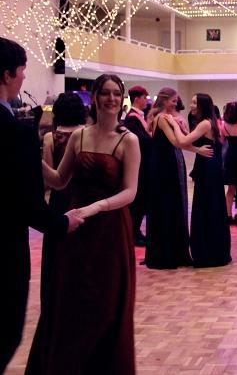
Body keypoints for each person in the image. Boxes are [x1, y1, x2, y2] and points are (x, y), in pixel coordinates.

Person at [30, 74, 139, 373]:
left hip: (110, 232)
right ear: (94, 97)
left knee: (106, 305)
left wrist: (98, 206)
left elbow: (130, 191)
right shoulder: (79, 137)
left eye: (116, 93)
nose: (111, 99)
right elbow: (59, 180)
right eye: (105, 93)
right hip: (77, 231)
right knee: (72, 302)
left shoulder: (128, 140)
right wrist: (30, 157)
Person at [0, 37, 81, 372]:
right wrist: (63, 223)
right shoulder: (16, 133)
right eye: (22, 70)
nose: (23, 77)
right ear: (7, 75)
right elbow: (29, 203)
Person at [144, 87, 211, 269]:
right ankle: (167, 253)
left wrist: (181, 128)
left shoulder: (167, 118)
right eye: (173, 101)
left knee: (173, 203)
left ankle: (174, 250)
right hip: (164, 165)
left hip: (169, 161)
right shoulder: (162, 118)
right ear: (165, 100)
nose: (176, 104)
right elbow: (176, 142)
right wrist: (198, 150)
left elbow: (182, 140)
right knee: (168, 204)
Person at [167, 94, 231, 268]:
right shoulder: (209, 122)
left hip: (208, 168)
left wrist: (174, 124)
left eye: (194, 102)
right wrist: (194, 145)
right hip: (210, 167)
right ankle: (214, 250)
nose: (191, 105)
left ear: (202, 105)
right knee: (211, 207)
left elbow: (182, 142)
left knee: (207, 207)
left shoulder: (205, 123)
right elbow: (190, 141)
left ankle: (208, 252)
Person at [40, 93, 86, 303]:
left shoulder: (51, 138)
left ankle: (55, 300)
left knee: (56, 253)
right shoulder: (87, 134)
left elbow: (50, 180)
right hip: (84, 198)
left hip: (60, 199)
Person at [123, 85, 151, 247]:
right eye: (144, 97)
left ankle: (136, 231)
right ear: (136, 99)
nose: (147, 100)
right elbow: (141, 141)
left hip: (143, 163)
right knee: (138, 201)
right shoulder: (132, 118)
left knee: (142, 200)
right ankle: (133, 233)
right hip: (139, 165)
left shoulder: (139, 116)